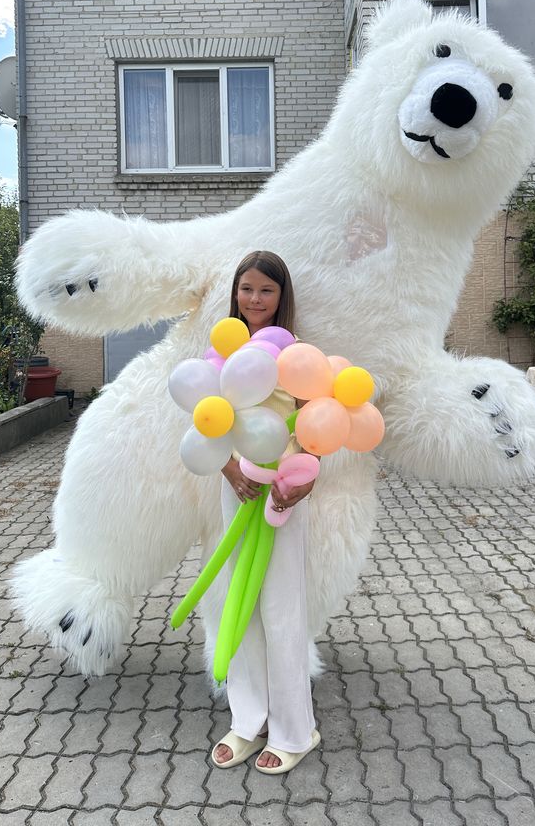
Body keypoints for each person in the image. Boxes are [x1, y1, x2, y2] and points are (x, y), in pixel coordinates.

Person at [212, 251, 321, 775]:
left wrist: (300, 479)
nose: (254, 300)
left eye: (266, 291)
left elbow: (317, 424)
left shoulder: (297, 354)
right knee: (240, 606)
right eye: (246, 289)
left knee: (280, 611)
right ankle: (247, 719)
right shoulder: (223, 350)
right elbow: (209, 419)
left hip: (280, 493)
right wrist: (229, 469)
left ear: (282, 298)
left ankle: (296, 731)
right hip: (235, 490)